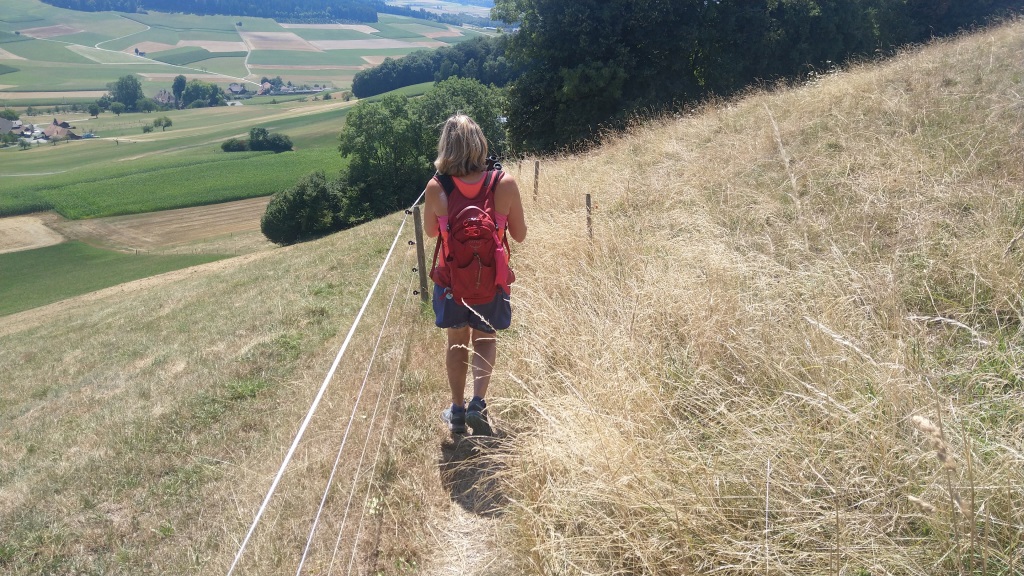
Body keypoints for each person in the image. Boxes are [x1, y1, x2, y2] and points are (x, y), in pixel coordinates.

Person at [423, 114, 527, 435]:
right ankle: (477, 404)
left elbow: (430, 232)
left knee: (457, 343)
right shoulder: (503, 182)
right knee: (484, 339)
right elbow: (520, 235)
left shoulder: (436, 187)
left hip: (452, 282)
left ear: (446, 146)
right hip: (491, 281)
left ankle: (457, 412)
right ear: (480, 143)